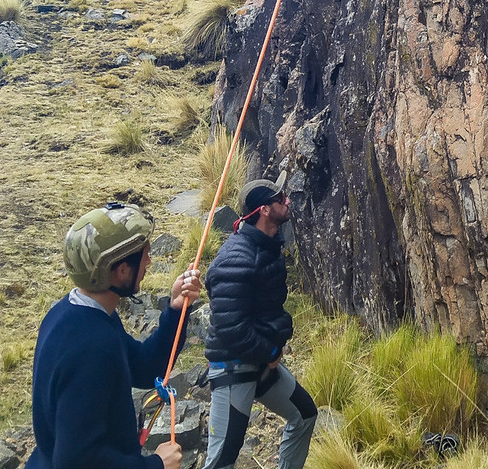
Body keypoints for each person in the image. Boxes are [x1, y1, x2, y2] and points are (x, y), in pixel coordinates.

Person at [28, 202, 202, 469]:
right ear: (122, 271)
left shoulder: (76, 314)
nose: (149, 262)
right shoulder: (92, 345)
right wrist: (156, 465)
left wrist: (176, 308)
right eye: (145, 256)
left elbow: (145, 366)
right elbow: (75, 461)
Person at [203, 171, 317, 469]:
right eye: (280, 198)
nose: (287, 201)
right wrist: (271, 351)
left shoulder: (267, 246)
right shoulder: (235, 260)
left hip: (261, 362)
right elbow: (231, 329)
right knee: (221, 460)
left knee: (304, 414)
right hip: (233, 366)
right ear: (265, 210)